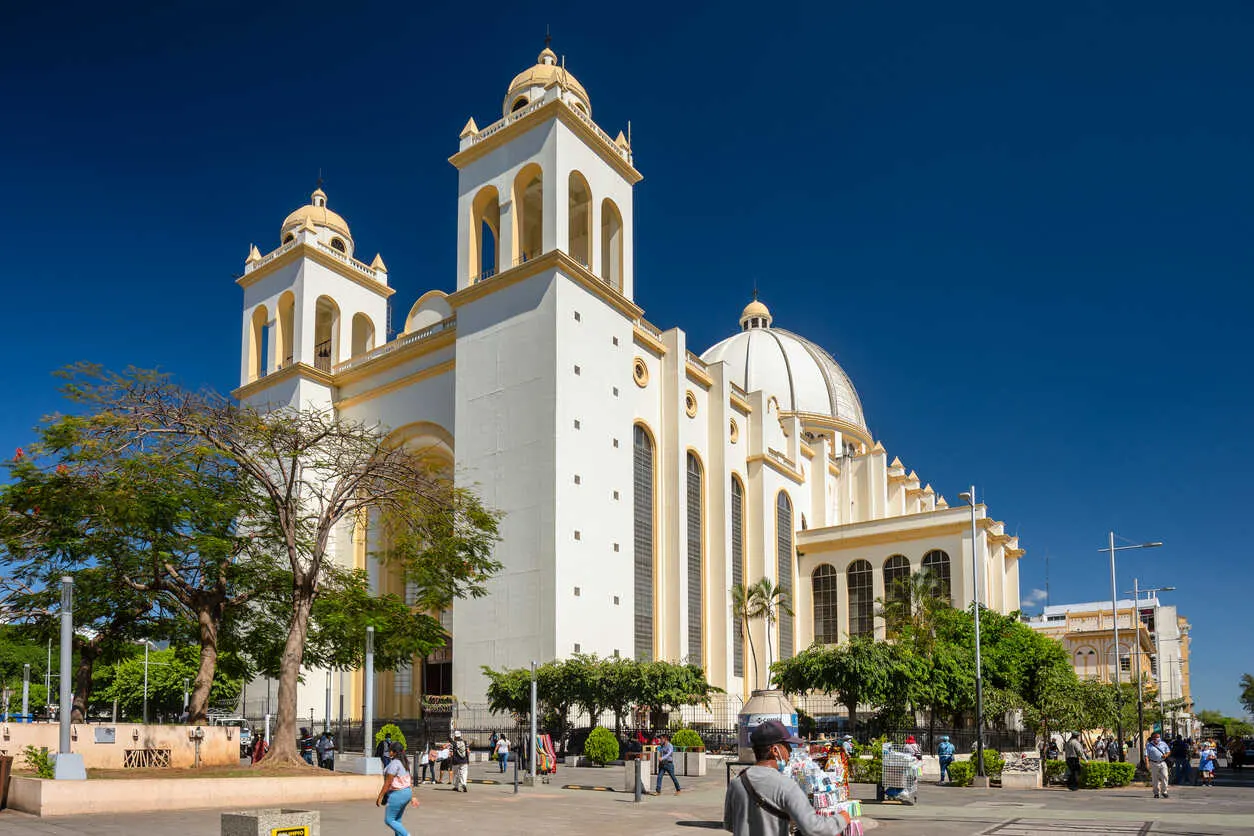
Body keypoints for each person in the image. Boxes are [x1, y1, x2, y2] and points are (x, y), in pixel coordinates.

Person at [723, 719, 851, 836]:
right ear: (774, 750)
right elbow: (814, 828)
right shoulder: (786, 785)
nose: (790, 752)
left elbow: (730, 825)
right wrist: (842, 818)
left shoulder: (737, 783)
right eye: (787, 746)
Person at [376, 740, 419, 835]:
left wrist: (380, 796)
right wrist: (412, 796)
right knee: (397, 820)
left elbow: (388, 783)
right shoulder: (404, 763)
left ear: (394, 752)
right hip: (406, 793)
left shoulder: (394, 764)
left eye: (390, 750)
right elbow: (408, 782)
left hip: (397, 794)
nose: (389, 752)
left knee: (389, 820)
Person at [1145, 731, 1171, 798]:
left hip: (1162, 762)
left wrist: (1166, 755)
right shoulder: (1149, 745)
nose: (1158, 738)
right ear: (1153, 738)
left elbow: (1168, 751)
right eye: (1156, 737)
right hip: (1153, 763)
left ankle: (1164, 791)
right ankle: (1156, 793)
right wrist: (1147, 763)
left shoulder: (1163, 744)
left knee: (1165, 777)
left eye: (1159, 737)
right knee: (1155, 779)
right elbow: (1146, 755)